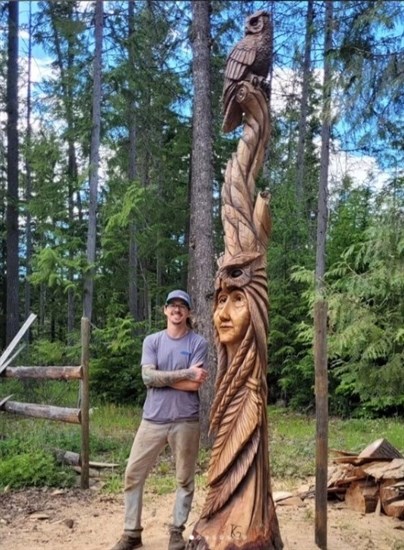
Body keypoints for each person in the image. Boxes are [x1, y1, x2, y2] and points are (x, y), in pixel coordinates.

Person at [112, 290, 209, 550]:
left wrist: (163, 378)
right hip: (152, 420)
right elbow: (147, 379)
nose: (177, 310)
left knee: (184, 479)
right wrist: (186, 373)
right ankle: (132, 533)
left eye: (182, 306)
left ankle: (176, 531)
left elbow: (194, 385)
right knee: (133, 473)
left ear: (188, 313)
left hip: (186, 420)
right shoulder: (152, 341)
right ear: (165, 310)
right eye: (172, 305)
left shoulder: (198, 343)